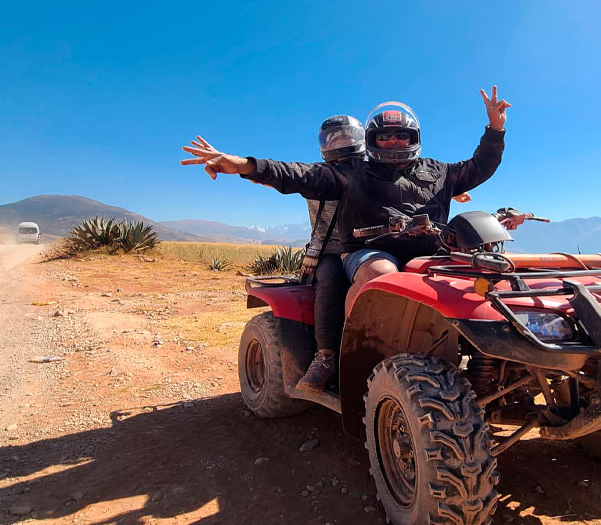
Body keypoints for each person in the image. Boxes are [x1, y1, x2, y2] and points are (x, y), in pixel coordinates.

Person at [181, 86, 511, 394]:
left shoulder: (439, 171)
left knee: (480, 277)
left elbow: (480, 165)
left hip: (428, 253)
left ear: (414, 138)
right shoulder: (352, 171)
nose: (394, 141)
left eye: (401, 135)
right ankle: (356, 357)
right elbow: (297, 174)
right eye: (384, 136)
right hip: (369, 251)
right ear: (372, 140)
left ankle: (493, 358)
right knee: (382, 276)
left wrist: (495, 129)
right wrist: (243, 165)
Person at [297, 115, 365, 392]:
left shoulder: (373, 172)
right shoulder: (317, 175)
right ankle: (325, 358)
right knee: (331, 279)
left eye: (346, 136)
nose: (341, 141)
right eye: (333, 137)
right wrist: (244, 168)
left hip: (368, 249)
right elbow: (283, 177)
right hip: (331, 250)